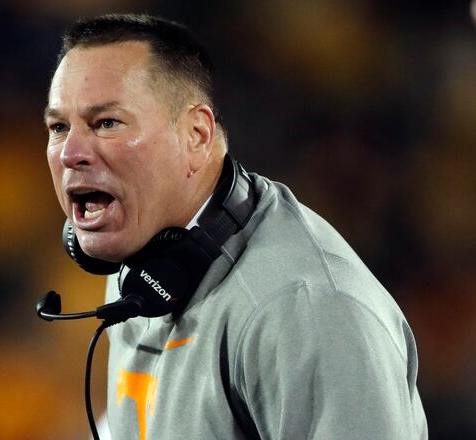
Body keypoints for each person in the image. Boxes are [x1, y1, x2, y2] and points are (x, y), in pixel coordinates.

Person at [43, 13, 427, 440]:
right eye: (59, 127)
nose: (69, 152)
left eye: (106, 123)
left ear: (196, 135)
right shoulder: (138, 268)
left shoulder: (305, 308)